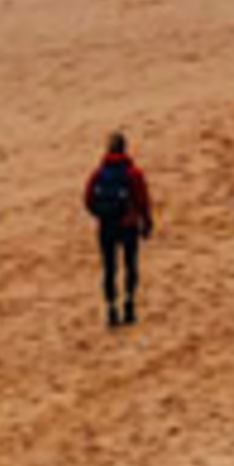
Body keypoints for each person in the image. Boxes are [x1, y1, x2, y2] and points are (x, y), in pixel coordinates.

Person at [83, 130, 154, 329]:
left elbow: (88, 199)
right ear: (125, 149)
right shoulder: (134, 173)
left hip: (106, 227)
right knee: (130, 266)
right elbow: (143, 200)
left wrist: (101, 214)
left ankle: (111, 309)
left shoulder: (98, 173)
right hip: (128, 225)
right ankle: (129, 305)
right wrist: (147, 222)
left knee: (109, 269)